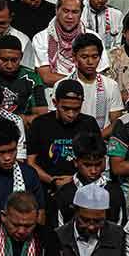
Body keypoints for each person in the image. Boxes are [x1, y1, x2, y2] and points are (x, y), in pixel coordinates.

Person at [27, 79, 104, 210]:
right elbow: (30, 162)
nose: (71, 114)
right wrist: (52, 180)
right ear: (55, 103)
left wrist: (73, 181)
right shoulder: (40, 124)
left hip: (83, 191)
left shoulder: (89, 123)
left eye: (76, 109)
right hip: (47, 191)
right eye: (66, 108)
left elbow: (101, 160)